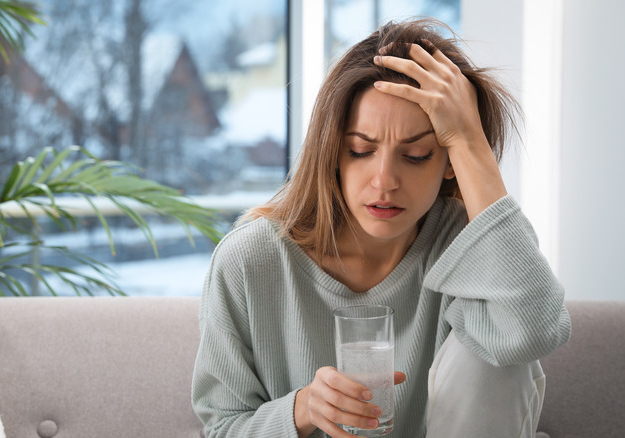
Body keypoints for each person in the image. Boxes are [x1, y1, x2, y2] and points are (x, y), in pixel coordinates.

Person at [192, 18, 571, 438]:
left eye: (417, 155)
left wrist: (468, 138)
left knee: (500, 345)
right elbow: (222, 426)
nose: (384, 180)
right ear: (333, 152)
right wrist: (301, 409)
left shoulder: (470, 244)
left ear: (448, 163)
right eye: (360, 150)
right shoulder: (249, 260)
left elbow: (532, 333)